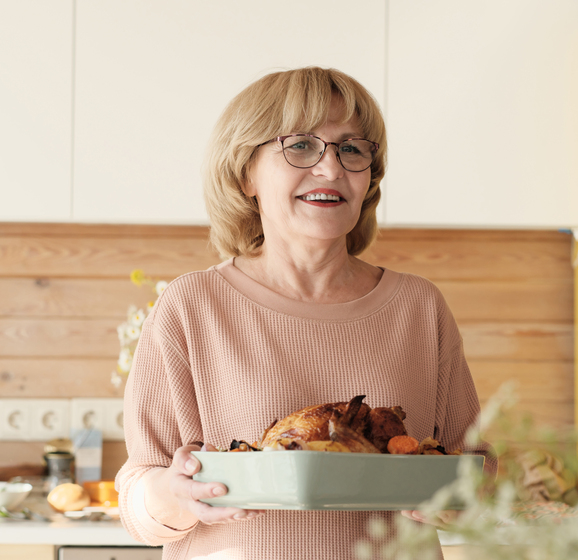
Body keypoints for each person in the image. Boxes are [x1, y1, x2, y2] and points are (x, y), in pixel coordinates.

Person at [115, 66, 490, 560]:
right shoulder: (192, 306)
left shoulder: (419, 308)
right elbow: (139, 494)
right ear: (245, 173)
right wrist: (175, 494)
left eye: (352, 148)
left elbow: (478, 469)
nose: (332, 170)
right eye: (301, 146)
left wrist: (457, 502)